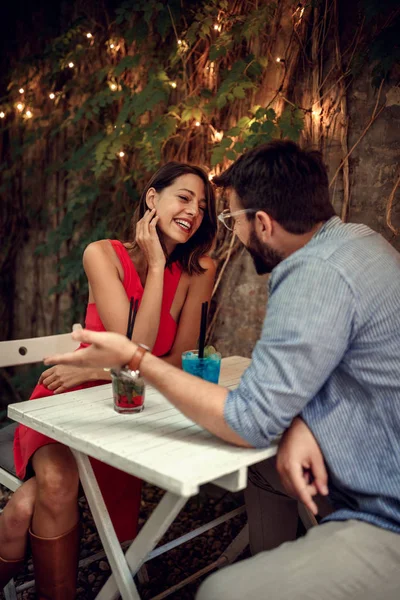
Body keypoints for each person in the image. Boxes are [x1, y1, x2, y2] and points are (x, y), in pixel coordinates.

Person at [46, 140, 400, 600]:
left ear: (265, 224)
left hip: (384, 508)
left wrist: (134, 360)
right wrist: (301, 421)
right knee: (264, 468)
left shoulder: (312, 274)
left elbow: (247, 419)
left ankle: (291, 573)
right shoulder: (362, 241)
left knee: (220, 592)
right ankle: (282, 566)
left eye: (231, 218)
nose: (226, 228)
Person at [0, 162, 217, 597]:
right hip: (72, 403)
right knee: (57, 482)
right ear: (153, 200)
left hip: (135, 409)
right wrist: (153, 266)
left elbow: (174, 359)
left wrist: (99, 367)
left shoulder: (201, 270)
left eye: (203, 205)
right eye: (184, 197)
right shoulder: (102, 254)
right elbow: (131, 347)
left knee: (26, 504)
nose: (194, 210)